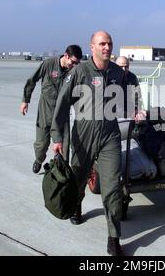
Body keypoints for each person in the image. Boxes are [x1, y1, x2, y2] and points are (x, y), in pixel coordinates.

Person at [51, 31, 125, 256]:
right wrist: (57, 138)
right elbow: (62, 105)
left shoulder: (117, 72)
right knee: (78, 179)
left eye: (110, 43)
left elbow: (130, 93)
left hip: (110, 136)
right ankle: (77, 204)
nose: (107, 47)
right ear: (92, 47)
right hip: (83, 135)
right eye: (102, 43)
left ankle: (114, 238)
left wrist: (137, 106)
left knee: (112, 188)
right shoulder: (79, 72)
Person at [20, 45, 82, 173]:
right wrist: (25, 100)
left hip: (62, 114)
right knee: (41, 144)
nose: (74, 65)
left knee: (64, 146)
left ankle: (61, 169)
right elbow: (32, 80)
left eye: (77, 63)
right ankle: (38, 159)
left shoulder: (74, 71)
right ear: (66, 56)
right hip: (45, 111)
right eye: (73, 62)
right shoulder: (48, 64)